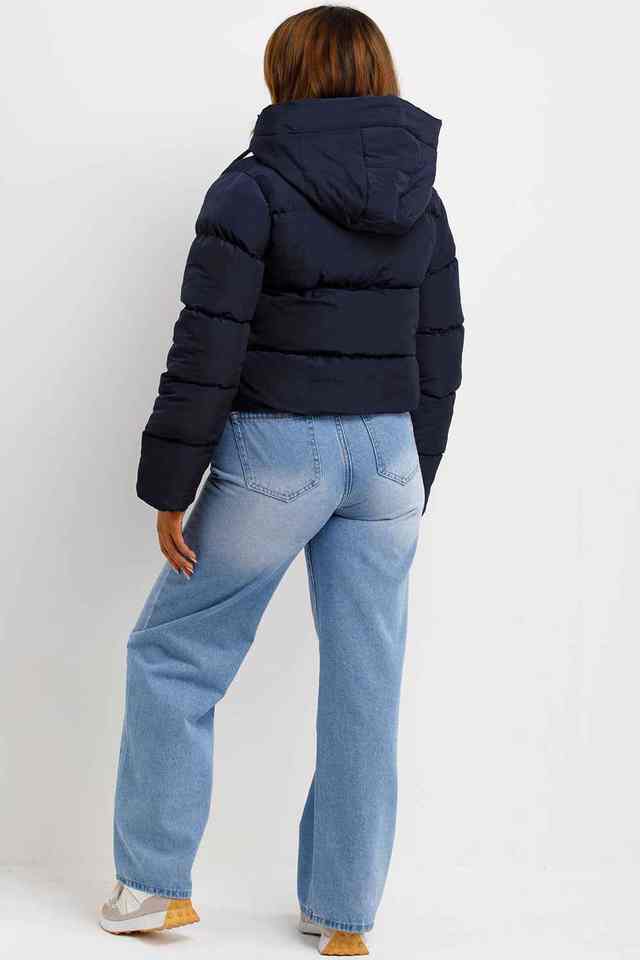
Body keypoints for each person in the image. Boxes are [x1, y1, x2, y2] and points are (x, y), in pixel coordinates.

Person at [100, 6, 464, 955]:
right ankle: (343, 919)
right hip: (386, 458)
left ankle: (153, 888)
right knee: (366, 683)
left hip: (277, 456)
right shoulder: (421, 196)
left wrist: (170, 482)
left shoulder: (254, 186)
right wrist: (414, 469)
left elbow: (208, 343)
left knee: (175, 655)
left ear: (285, 75)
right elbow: (441, 346)